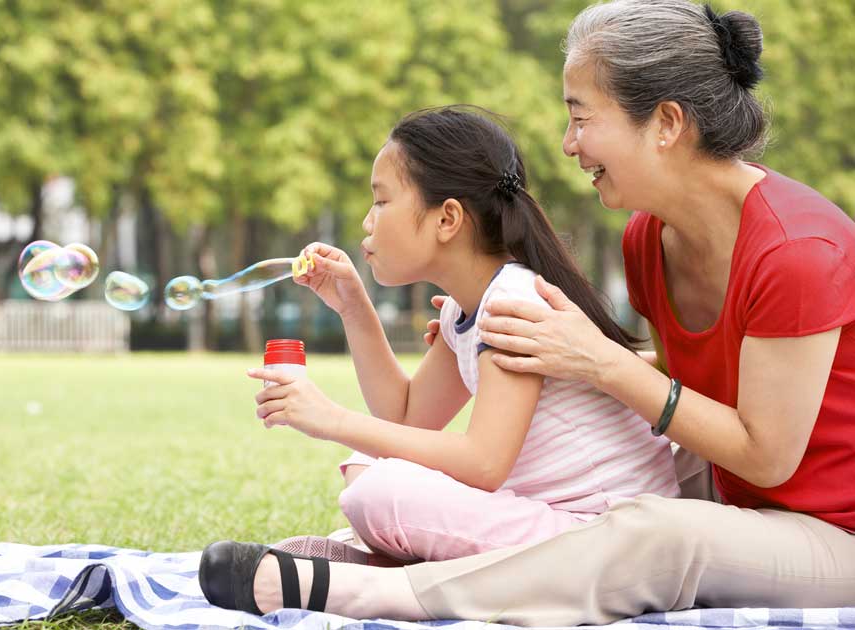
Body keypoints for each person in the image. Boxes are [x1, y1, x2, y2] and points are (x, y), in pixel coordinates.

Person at [199, 0, 855, 624]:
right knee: (605, 490)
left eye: (581, 116)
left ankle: (378, 590)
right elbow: (705, 376)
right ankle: (412, 553)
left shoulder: (797, 250)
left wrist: (603, 362)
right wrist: (565, 356)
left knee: (659, 534)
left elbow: (766, 456)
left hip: (830, 530)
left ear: (666, 123)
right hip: (732, 490)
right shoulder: (648, 239)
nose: (568, 145)